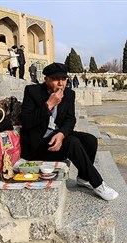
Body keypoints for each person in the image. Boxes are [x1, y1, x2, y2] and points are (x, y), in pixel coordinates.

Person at [20, 62, 119, 201]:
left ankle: (83, 178)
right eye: (56, 79)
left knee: (90, 140)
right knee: (73, 142)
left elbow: (70, 120)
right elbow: (26, 122)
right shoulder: (32, 92)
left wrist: (61, 134)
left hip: (56, 136)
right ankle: (98, 184)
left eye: (63, 79)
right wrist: (49, 104)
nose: (61, 83)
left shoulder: (69, 94)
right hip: (37, 145)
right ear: (46, 79)